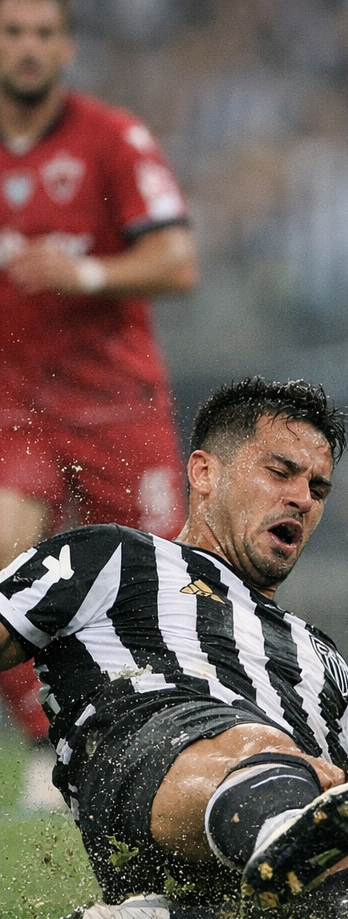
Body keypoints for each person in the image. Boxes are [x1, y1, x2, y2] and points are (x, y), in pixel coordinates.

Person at [0, 377, 348, 919]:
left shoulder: (324, 660)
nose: (302, 498)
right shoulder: (113, 556)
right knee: (260, 748)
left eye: (318, 487)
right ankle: (272, 835)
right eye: (280, 472)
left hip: (281, 812)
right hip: (144, 771)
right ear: (204, 473)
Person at [0, 0, 198, 810]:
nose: (29, 47)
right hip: (15, 409)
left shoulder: (111, 138)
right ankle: (51, 747)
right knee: (7, 566)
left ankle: (172, 736)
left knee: (158, 589)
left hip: (117, 406)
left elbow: (177, 260)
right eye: (13, 31)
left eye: (45, 33)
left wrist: (82, 273)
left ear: (67, 46)